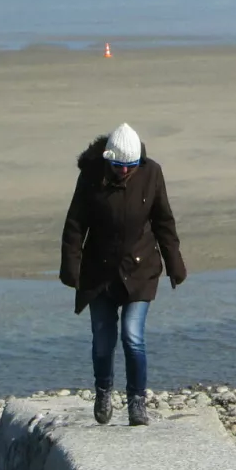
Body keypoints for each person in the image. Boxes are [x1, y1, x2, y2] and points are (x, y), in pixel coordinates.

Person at [60, 123, 187, 427]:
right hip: (99, 272)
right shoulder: (91, 176)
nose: (124, 171)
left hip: (140, 268)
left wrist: (175, 265)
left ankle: (137, 402)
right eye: (118, 165)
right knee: (103, 341)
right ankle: (103, 391)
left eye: (130, 166)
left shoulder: (152, 173)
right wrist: (71, 268)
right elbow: (75, 225)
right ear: (108, 159)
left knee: (132, 336)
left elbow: (163, 221)